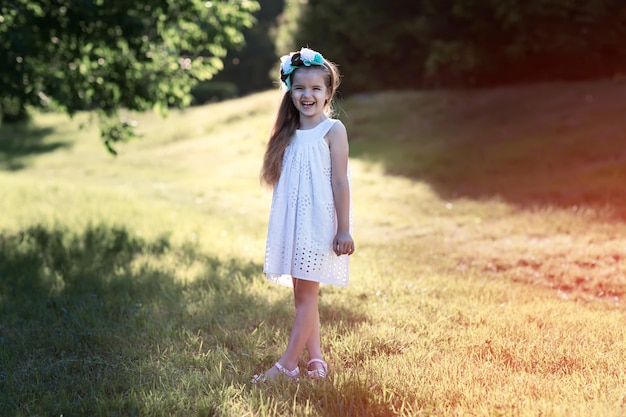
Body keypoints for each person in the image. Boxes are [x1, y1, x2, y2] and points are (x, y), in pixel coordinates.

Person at [252, 47, 355, 383]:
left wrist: (344, 230)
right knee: (302, 296)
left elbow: (340, 183)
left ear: (328, 93)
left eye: (315, 89)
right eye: (299, 88)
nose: (306, 95)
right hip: (292, 224)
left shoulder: (333, 131)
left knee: (307, 296)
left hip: (318, 225)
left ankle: (286, 366)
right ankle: (316, 361)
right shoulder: (287, 131)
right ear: (289, 90)